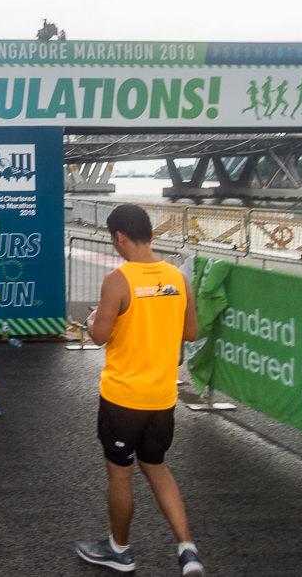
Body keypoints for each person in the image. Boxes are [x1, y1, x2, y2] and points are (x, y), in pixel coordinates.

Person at [75, 204, 204, 576]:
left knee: (120, 473)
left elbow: (99, 336)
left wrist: (93, 320)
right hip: (163, 398)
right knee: (158, 468)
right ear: (151, 234)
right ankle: (187, 549)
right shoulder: (178, 277)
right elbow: (191, 333)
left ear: (119, 237)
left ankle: (119, 550)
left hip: (123, 398)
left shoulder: (119, 279)